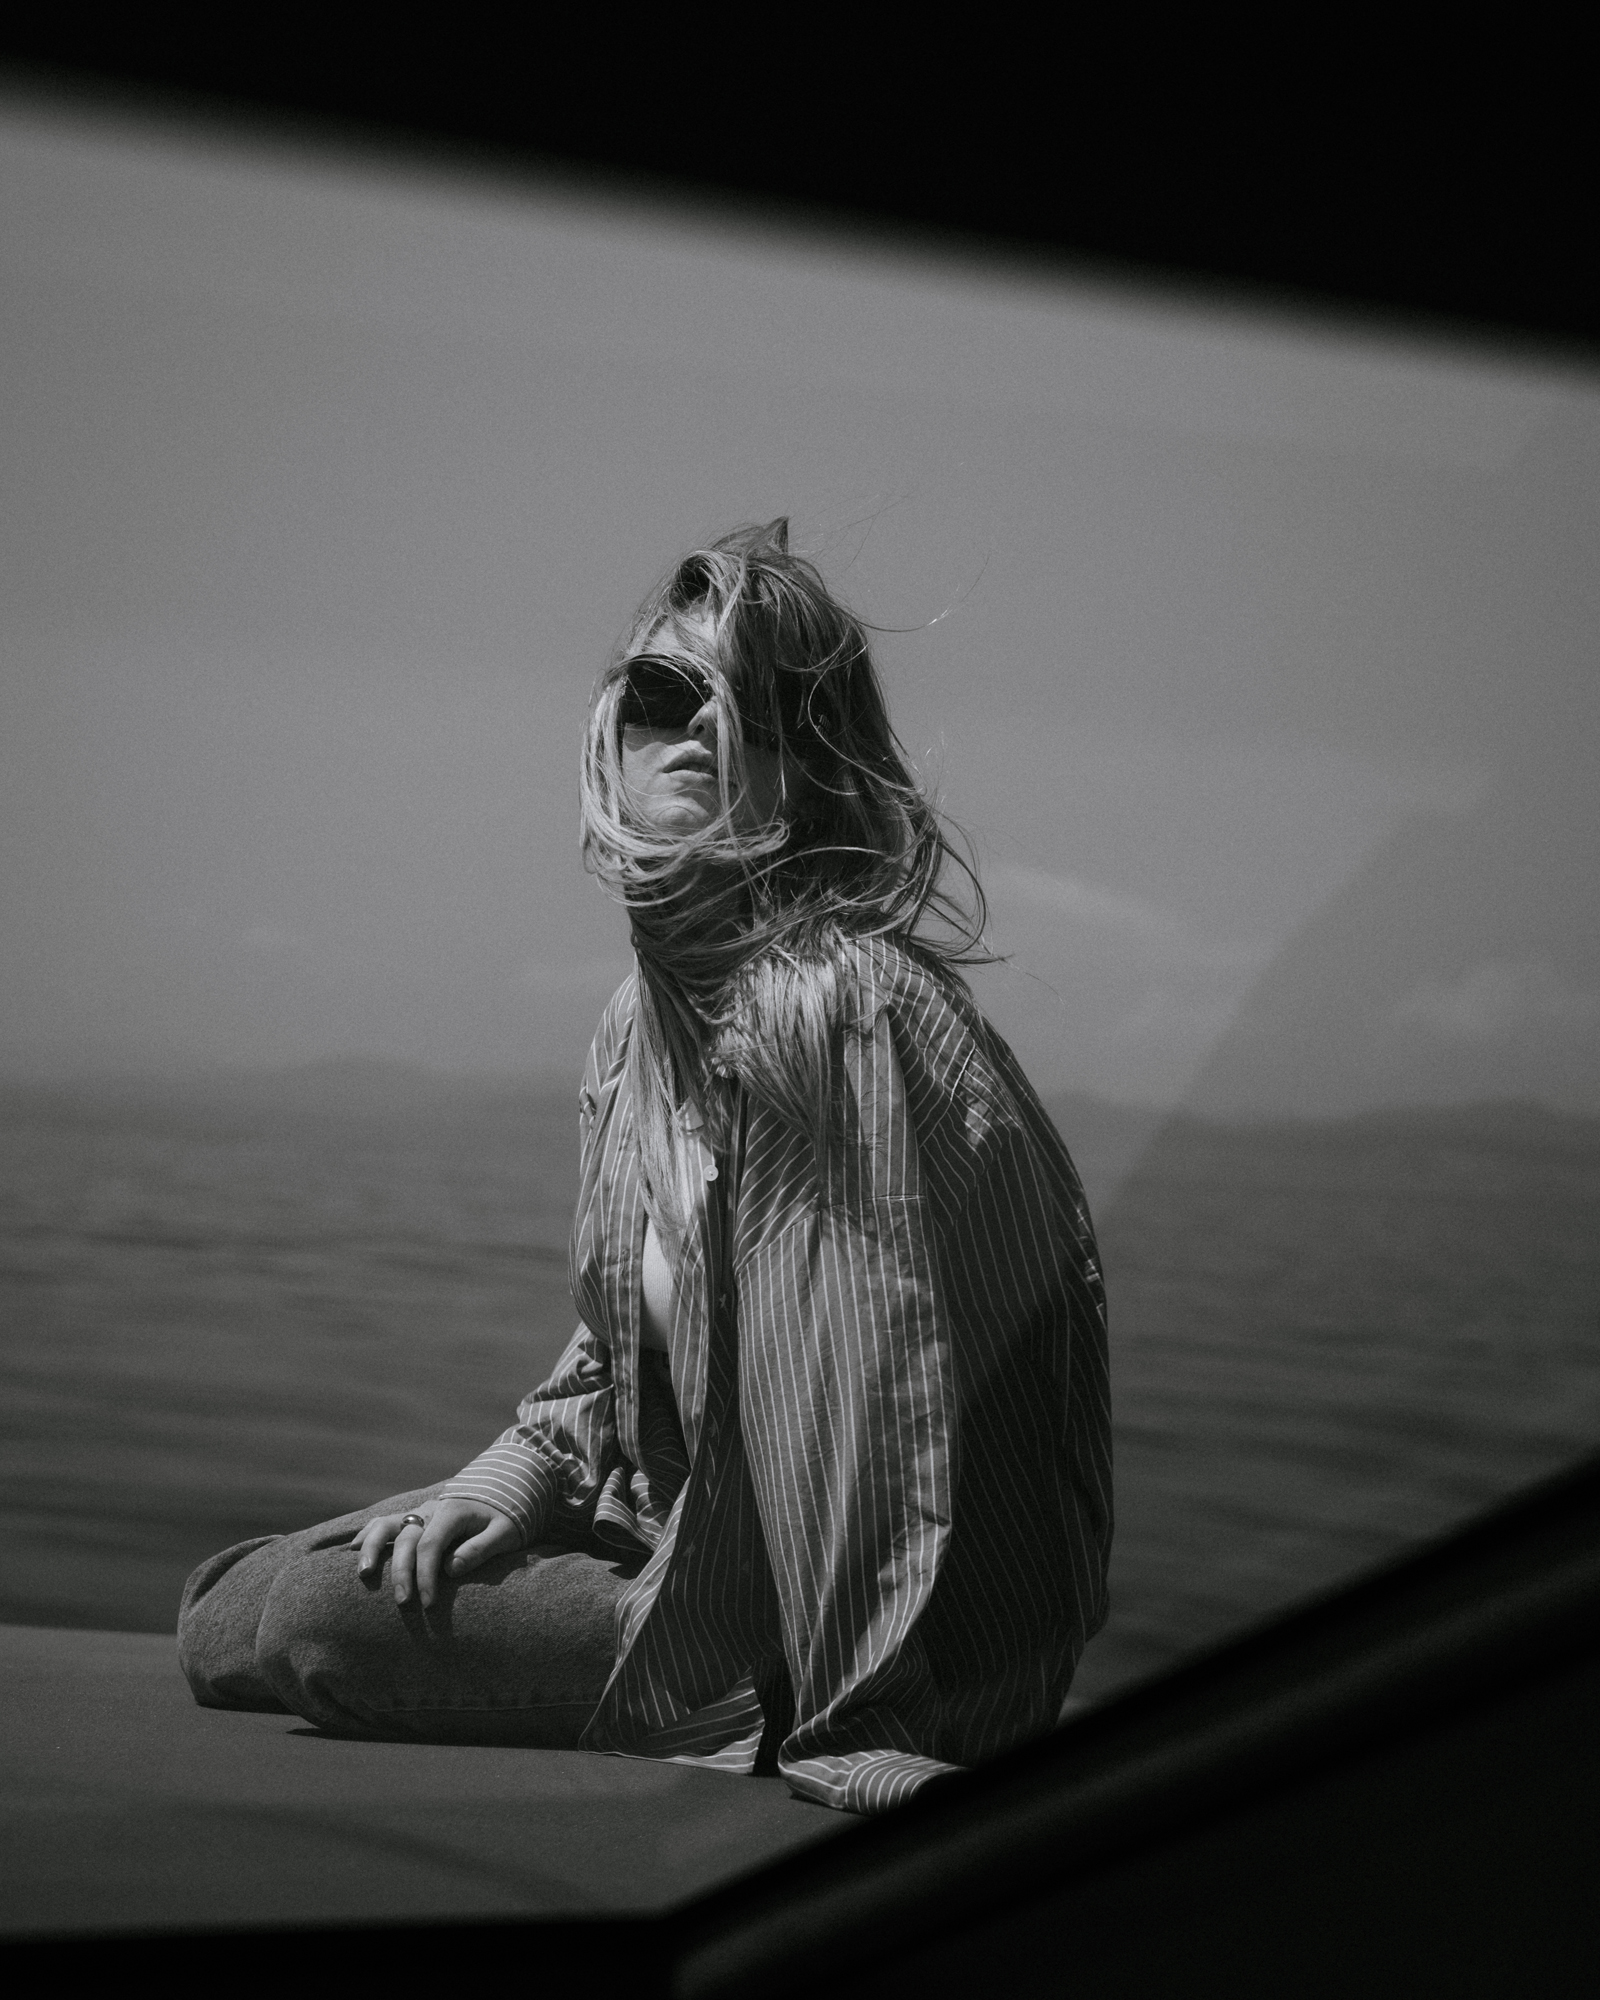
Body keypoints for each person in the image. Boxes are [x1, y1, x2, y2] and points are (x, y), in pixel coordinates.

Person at [177, 520, 1112, 1815]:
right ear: (611, 730)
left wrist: (863, 1738)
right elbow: (627, 1350)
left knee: (308, 1621)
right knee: (225, 1604)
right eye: (668, 694)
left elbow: (864, 1412)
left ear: (815, 770)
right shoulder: (641, 1029)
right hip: (689, 1536)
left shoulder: (835, 1018)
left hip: (851, 1642)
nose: (706, 729)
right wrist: (513, 1485)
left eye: (762, 709)